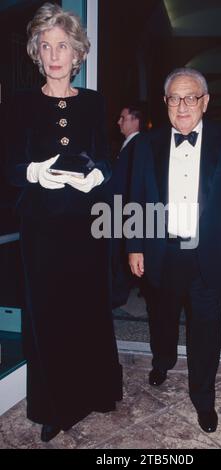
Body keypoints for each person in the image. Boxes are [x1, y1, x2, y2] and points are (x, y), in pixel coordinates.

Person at [5, 3, 122, 442]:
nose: (55, 54)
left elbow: (105, 157)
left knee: (87, 311)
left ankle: (92, 392)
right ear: (37, 52)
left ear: (78, 54)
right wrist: (34, 173)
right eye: (46, 45)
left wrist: (98, 175)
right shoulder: (20, 103)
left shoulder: (94, 103)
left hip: (86, 227)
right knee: (49, 317)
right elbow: (10, 167)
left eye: (64, 46)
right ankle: (55, 406)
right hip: (42, 230)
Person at [128, 67, 221, 433]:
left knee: (206, 328)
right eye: (174, 98)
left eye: (190, 97)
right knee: (162, 316)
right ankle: (162, 360)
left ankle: (203, 397)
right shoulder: (145, 144)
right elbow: (136, 199)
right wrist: (135, 247)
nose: (182, 106)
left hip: (206, 255)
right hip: (162, 250)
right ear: (165, 102)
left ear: (205, 101)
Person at [112, 103, 145, 308]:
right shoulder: (127, 145)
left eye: (123, 118)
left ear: (135, 120)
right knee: (118, 253)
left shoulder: (139, 145)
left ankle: (118, 294)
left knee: (122, 252)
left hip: (125, 210)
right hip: (118, 209)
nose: (119, 122)